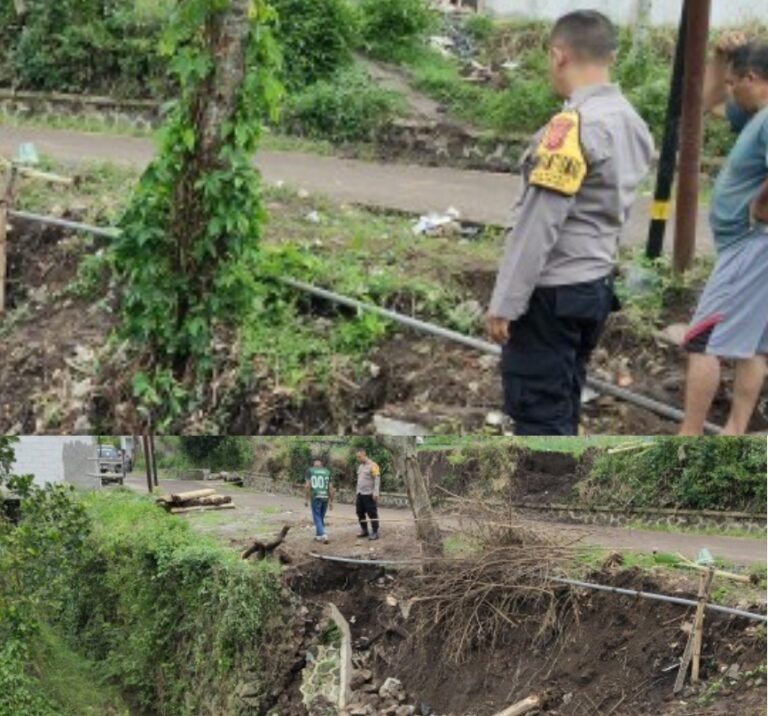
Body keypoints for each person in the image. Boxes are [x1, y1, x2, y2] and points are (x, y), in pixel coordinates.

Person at [485, 10, 654, 435]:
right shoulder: (631, 122)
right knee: (563, 403)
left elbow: (539, 222)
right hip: (593, 286)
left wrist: (506, 301)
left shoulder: (573, 129)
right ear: (610, 56)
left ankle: (546, 480)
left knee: (539, 417)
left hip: (552, 293)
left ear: (559, 55)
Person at [679, 38, 768, 435]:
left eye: (733, 82)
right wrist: (717, 59)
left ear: (752, 78)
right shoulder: (754, 117)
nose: (730, 90)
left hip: (749, 246)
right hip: (754, 246)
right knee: (754, 345)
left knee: (703, 339)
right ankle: (734, 434)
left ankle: (689, 437)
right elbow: (707, 103)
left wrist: (761, 207)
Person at [304, 458, 334, 543]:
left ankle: (323, 534)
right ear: (322, 465)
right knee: (320, 517)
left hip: (315, 497)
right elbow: (331, 488)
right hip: (325, 497)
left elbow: (307, 486)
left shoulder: (310, 471)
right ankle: (318, 536)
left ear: (314, 465)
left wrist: (306, 499)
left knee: (317, 517)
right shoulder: (327, 472)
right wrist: (331, 502)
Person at [355, 448, 380, 541]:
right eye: (357, 457)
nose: (358, 459)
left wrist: (376, 492)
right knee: (359, 512)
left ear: (364, 455)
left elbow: (377, 479)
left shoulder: (373, 465)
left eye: (359, 457)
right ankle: (364, 530)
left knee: (372, 513)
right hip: (360, 493)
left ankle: (375, 532)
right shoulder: (360, 467)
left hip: (369, 494)